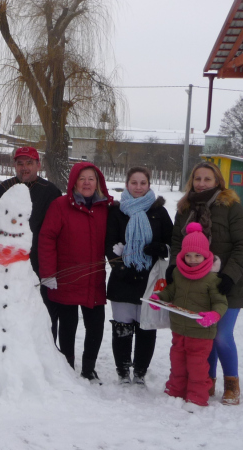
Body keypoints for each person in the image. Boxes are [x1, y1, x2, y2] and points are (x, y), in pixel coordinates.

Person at [169, 161, 243, 405]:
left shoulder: (231, 207)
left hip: (227, 283)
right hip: (194, 285)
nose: (202, 183)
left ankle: (231, 383)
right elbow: (176, 242)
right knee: (204, 335)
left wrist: (229, 275)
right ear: (191, 181)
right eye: (197, 179)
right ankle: (207, 380)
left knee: (221, 336)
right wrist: (173, 269)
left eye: (207, 179)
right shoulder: (185, 208)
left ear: (217, 181)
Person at [39, 162, 111, 384]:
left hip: (94, 279)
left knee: (96, 325)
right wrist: (48, 273)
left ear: (97, 182)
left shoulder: (106, 208)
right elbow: (47, 238)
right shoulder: (60, 206)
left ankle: (89, 368)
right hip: (66, 277)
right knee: (67, 325)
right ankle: (67, 365)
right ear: (74, 182)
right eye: (82, 179)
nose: (87, 183)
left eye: (91, 178)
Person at [0, 147, 62, 330]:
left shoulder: (50, 192)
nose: (24, 168)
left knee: (42, 315)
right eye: (20, 163)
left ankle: (44, 354)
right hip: (8, 266)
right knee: (9, 313)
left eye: (29, 163)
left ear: (38, 165)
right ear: (14, 165)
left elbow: (58, 230)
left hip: (40, 265)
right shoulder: (3, 189)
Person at [105, 167, 173, 385]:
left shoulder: (159, 211)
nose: (138, 187)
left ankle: (141, 372)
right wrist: (120, 268)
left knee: (146, 327)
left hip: (150, 279)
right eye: (134, 183)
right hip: (123, 278)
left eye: (142, 183)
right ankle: (123, 370)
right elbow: (109, 243)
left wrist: (161, 248)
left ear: (149, 185)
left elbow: (171, 242)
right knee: (122, 327)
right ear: (127, 184)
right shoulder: (116, 211)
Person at [152, 222, 228, 412]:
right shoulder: (178, 273)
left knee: (197, 367)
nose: (192, 259)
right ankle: (175, 390)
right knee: (177, 362)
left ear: (205, 255)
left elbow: (221, 302)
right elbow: (170, 292)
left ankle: (197, 397)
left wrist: (214, 314)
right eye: (188, 255)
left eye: (197, 255)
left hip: (201, 333)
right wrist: (159, 298)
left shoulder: (212, 278)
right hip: (179, 329)